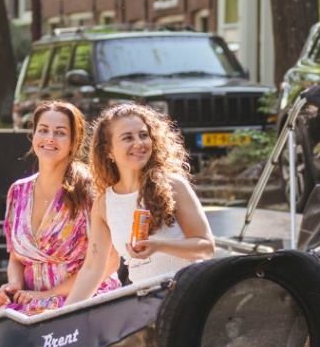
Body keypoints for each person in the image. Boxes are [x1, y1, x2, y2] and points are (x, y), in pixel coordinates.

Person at [67, 102, 214, 305]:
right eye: (128, 138)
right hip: (146, 306)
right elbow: (92, 269)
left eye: (144, 135)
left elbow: (206, 248)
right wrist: (64, 315)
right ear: (109, 151)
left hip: (187, 297)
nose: (139, 143)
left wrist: (159, 245)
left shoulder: (173, 185)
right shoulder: (104, 203)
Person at [0, 101, 117, 314]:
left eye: (60, 133)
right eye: (43, 130)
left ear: (73, 142)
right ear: (33, 136)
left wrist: (49, 295)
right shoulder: (17, 192)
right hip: (30, 302)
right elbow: (16, 258)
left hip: (81, 301)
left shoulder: (91, 190)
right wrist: (14, 285)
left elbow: (110, 261)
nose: (50, 138)